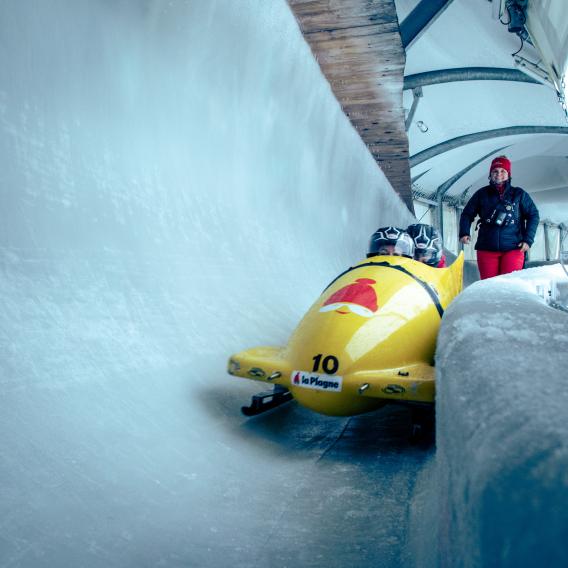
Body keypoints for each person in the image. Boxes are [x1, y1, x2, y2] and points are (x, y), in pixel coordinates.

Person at [459, 155, 539, 279]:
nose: (499, 174)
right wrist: (464, 232)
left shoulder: (519, 194)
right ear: (490, 174)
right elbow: (467, 214)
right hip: (487, 248)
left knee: (509, 286)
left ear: (508, 174)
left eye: (503, 171)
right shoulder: (481, 194)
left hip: (514, 248)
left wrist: (528, 240)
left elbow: (533, 215)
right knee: (489, 287)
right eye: (495, 171)